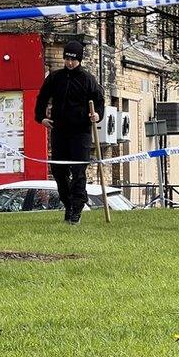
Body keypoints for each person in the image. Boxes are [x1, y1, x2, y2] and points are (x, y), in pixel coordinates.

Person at [35, 40, 104, 225]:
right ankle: (68, 204)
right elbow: (42, 97)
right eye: (67, 59)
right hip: (60, 131)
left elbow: (99, 100)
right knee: (58, 170)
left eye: (73, 60)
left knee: (79, 170)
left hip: (81, 132)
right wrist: (40, 117)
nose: (70, 63)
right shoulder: (55, 78)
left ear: (79, 60)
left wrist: (97, 114)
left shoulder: (88, 79)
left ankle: (77, 208)